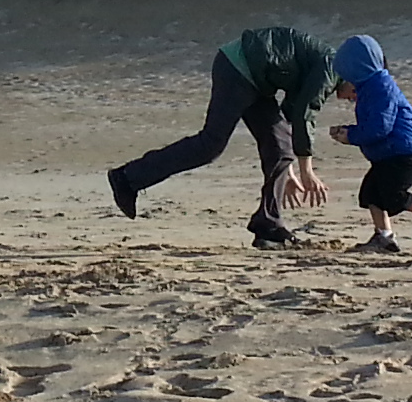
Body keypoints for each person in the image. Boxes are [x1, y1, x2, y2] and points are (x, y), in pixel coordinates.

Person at [107, 26, 335, 246]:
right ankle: (127, 178)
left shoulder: (326, 68)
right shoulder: (330, 69)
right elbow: (306, 115)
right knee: (210, 145)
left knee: (280, 149)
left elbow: (287, 122)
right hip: (238, 67)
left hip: (257, 78)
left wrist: (288, 169)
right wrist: (307, 171)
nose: (351, 99)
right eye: (356, 92)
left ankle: (269, 226)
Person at [326, 34, 412, 254]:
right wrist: (350, 132)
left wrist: (351, 136)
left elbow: (380, 128)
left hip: (404, 155)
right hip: (389, 156)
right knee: (370, 194)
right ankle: (384, 237)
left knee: (392, 195)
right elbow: (373, 125)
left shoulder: (381, 87)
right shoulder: (369, 90)